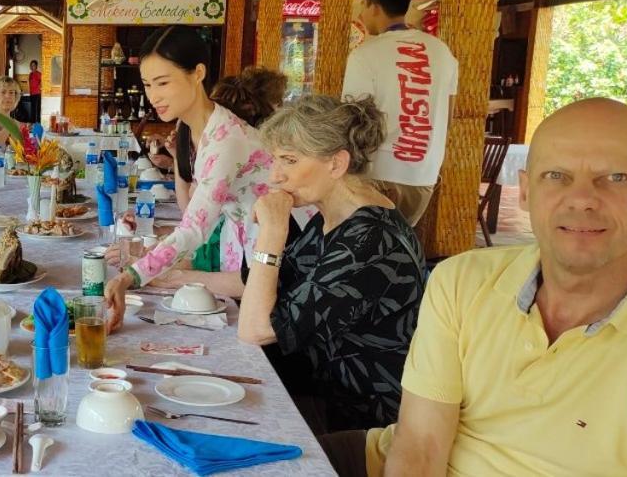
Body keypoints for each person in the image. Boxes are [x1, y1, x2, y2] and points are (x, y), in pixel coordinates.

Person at [339, 99, 627, 477]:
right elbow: (421, 445)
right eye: (556, 176)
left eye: (615, 177)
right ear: (526, 191)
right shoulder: (462, 279)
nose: (581, 198)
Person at [235, 95, 424, 436]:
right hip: (317, 392)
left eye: (289, 161)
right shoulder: (333, 218)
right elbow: (267, 290)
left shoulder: (369, 243)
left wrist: (274, 232)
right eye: (275, 160)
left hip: (361, 419)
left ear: (337, 164)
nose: (276, 176)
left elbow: (257, 329)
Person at [102, 26, 274, 331]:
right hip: (243, 244)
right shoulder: (191, 127)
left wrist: (130, 276)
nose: (153, 96)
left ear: (197, 73)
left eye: (163, 83)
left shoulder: (226, 139)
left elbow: (194, 228)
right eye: (147, 85)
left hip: (277, 249)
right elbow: (196, 214)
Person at [108, 68, 292, 297]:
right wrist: (151, 250)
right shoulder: (225, 148)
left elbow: (264, 280)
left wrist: (148, 274)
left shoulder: (231, 144)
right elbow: (198, 222)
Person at [342, 0, 458, 226]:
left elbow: (353, 121)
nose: (361, 14)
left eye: (363, 5)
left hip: (377, 173)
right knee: (398, 245)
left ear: (373, 5)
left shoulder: (366, 55)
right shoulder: (442, 52)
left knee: (364, 250)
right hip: (422, 175)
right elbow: (448, 119)